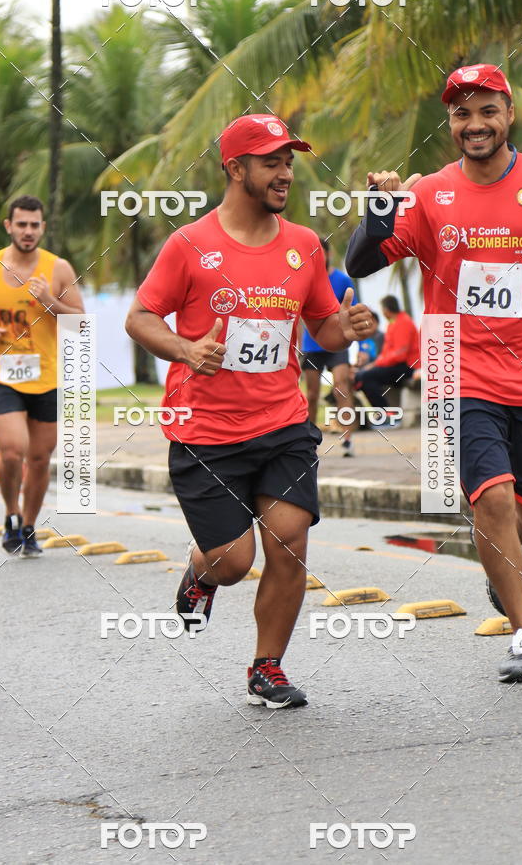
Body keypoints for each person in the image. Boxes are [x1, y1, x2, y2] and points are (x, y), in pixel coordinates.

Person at [125, 114, 374, 708]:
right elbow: (139, 318)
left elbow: (323, 327)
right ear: (235, 169)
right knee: (234, 562)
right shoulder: (190, 245)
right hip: (205, 432)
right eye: (271, 162)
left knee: (289, 540)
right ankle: (200, 573)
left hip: (283, 424)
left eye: (288, 162)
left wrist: (347, 327)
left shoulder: (304, 245)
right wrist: (186, 349)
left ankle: (267, 667)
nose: (285, 173)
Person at [345, 64, 522, 683]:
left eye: (487, 111)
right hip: (456, 370)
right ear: (451, 123)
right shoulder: (429, 194)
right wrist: (380, 211)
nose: (475, 124)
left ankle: (498, 560)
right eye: (462, 114)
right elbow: (361, 261)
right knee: (493, 497)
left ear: (509, 114)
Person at [0, 195, 84, 556]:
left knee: (40, 458)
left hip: (46, 377)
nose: (28, 231)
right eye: (21, 224)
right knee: (13, 451)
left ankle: (28, 527)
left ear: (42, 227)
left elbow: (79, 321)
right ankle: (11, 514)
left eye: (34, 225)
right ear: (9, 226)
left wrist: (49, 301)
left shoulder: (58, 268)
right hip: (1, 375)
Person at [300, 237, 357, 456]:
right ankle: (307, 442)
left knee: (341, 386)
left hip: (337, 343)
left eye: (320, 253)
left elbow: (354, 314)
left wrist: (361, 348)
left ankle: (348, 439)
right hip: (311, 345)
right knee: (312, 394)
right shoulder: (305, 278)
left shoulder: (342, 280)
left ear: (329, 254)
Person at [353, 295, 419, 413]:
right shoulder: (392, 324)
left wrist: (376, 364)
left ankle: (386, 414)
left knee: (365, 376)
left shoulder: (403, 322)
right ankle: (384, 413)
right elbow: (387, 352)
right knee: (361, 376)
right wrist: (375, 364)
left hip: (408, 368)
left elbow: (399, 355)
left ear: (386, 310)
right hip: (397, 366)